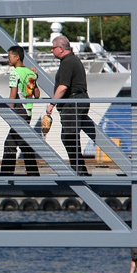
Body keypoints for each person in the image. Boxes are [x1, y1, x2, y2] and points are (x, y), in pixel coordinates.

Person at [46, 36, 96, 175]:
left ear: (61, 48)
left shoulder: (67, 62)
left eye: (53, 47)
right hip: (78, 101)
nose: (52, 50)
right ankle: (79, 169)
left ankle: (79, 170)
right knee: (70, 136)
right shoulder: (72, 60)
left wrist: (52, 103)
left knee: (69, 136)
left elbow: (63, 87)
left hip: (73, 103)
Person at [1, 45, 40, 176]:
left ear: (17, 57)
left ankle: (6, 175)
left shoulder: (14, 73)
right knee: (18, 142)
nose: (8, 59)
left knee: (13, 143)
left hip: (19, 112)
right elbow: (37, 94)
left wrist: (8, 114)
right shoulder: (30, 73)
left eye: (9, 56)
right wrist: (35, 78)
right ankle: (32, 173)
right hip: (27, 112)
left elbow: (13, 95)